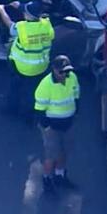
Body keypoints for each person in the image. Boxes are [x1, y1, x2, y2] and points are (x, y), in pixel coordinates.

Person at [0, 0, 55, 118]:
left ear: (28, 15)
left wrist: (1, 10)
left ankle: (11, 110)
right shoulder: (46, 24)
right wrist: (19, 6)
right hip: (41, 66)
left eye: (25, 11)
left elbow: (9, 23)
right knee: (32, 92)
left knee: (15, 88)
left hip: (22, 67)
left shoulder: (22, 28)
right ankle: (28, 115)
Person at [34, 55, 80, 193]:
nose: (65, 74)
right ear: (54, 69)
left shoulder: (72, 78)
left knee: (64, 151)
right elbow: (39, 111)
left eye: (67, 71)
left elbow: (76, 95)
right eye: (62, 72)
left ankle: (60, 176)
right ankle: (47, 180)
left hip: (68, 124)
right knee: (51, 156)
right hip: (52, 127)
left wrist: (75, 113)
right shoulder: (45, 85)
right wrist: (47, 128)